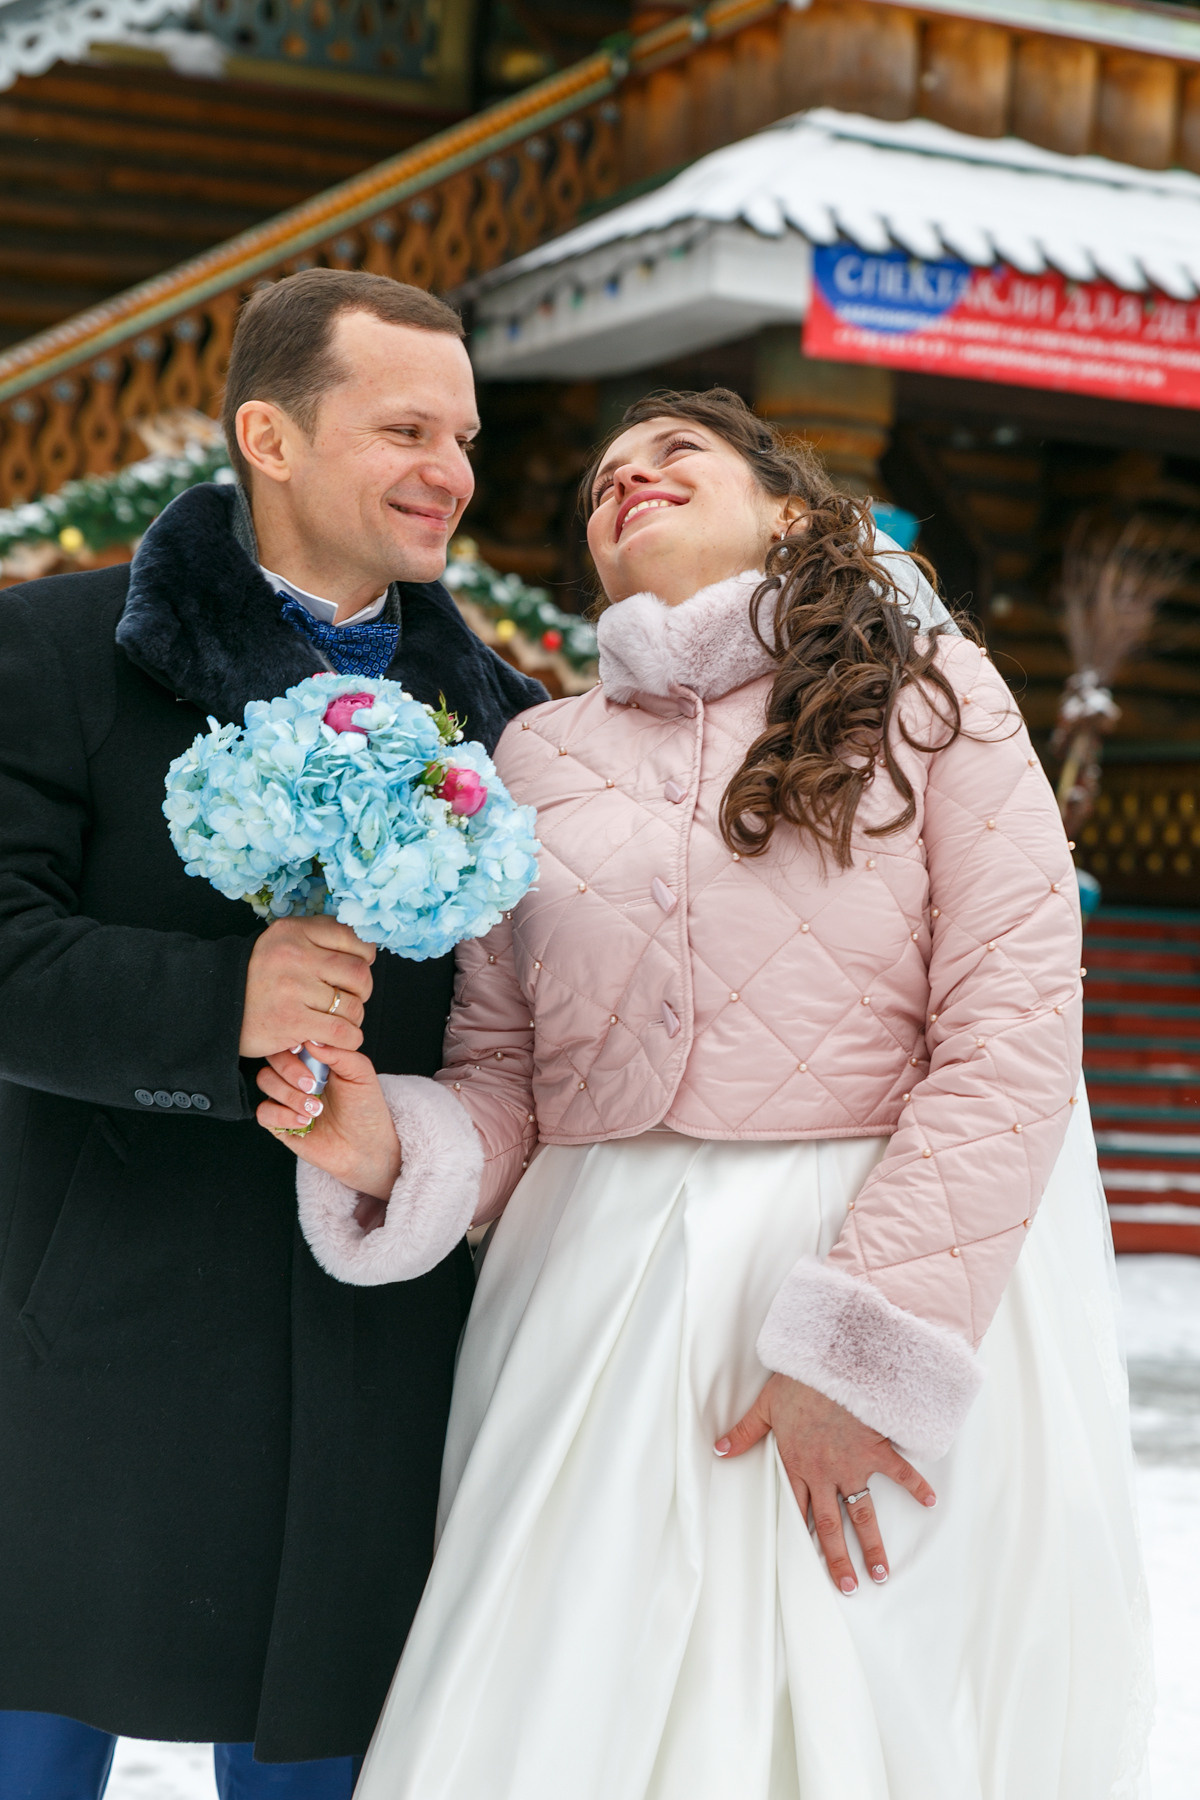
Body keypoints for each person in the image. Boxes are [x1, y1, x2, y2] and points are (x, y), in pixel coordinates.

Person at [259, 389, 1150, 1799]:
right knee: (558, 1714)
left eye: (680, 455)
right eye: (605, 477)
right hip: (589, 1304)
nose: (631, 477)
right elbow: (509, 1077)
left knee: (836, 1720)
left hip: (865, 1257)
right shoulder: (535, 757)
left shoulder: (934, 695)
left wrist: (864, 1352)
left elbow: (1014, 1028)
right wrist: (389, 1144)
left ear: (788, 512)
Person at [0, 268, 545, 1800]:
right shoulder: (50, 653)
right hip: (84, 1342)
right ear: (271, 434)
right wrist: (217, 1004)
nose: (452, 469)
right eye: (406, 427)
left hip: (368, 1359)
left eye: (468, 435)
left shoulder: (507, 723)